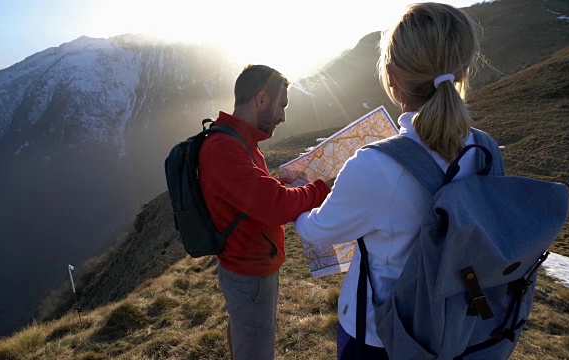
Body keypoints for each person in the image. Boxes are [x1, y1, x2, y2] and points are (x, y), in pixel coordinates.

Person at [294, 3, 483, 359]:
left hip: (382, 334)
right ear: (463, 70)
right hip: (459, 324)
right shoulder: (483, 149)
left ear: (392, 77)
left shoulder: (375, 165)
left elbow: (318, 230)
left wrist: (295, 204)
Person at [199, 64, 334, 360]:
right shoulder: (225, 148)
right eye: (281, 105)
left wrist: (278, 183)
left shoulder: (239, 140)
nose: (283, 116)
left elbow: (251, 193)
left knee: (246, 339)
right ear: (261, 99)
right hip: (250, 274)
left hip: (250, 269)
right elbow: (275, 208)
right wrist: (323, 188)